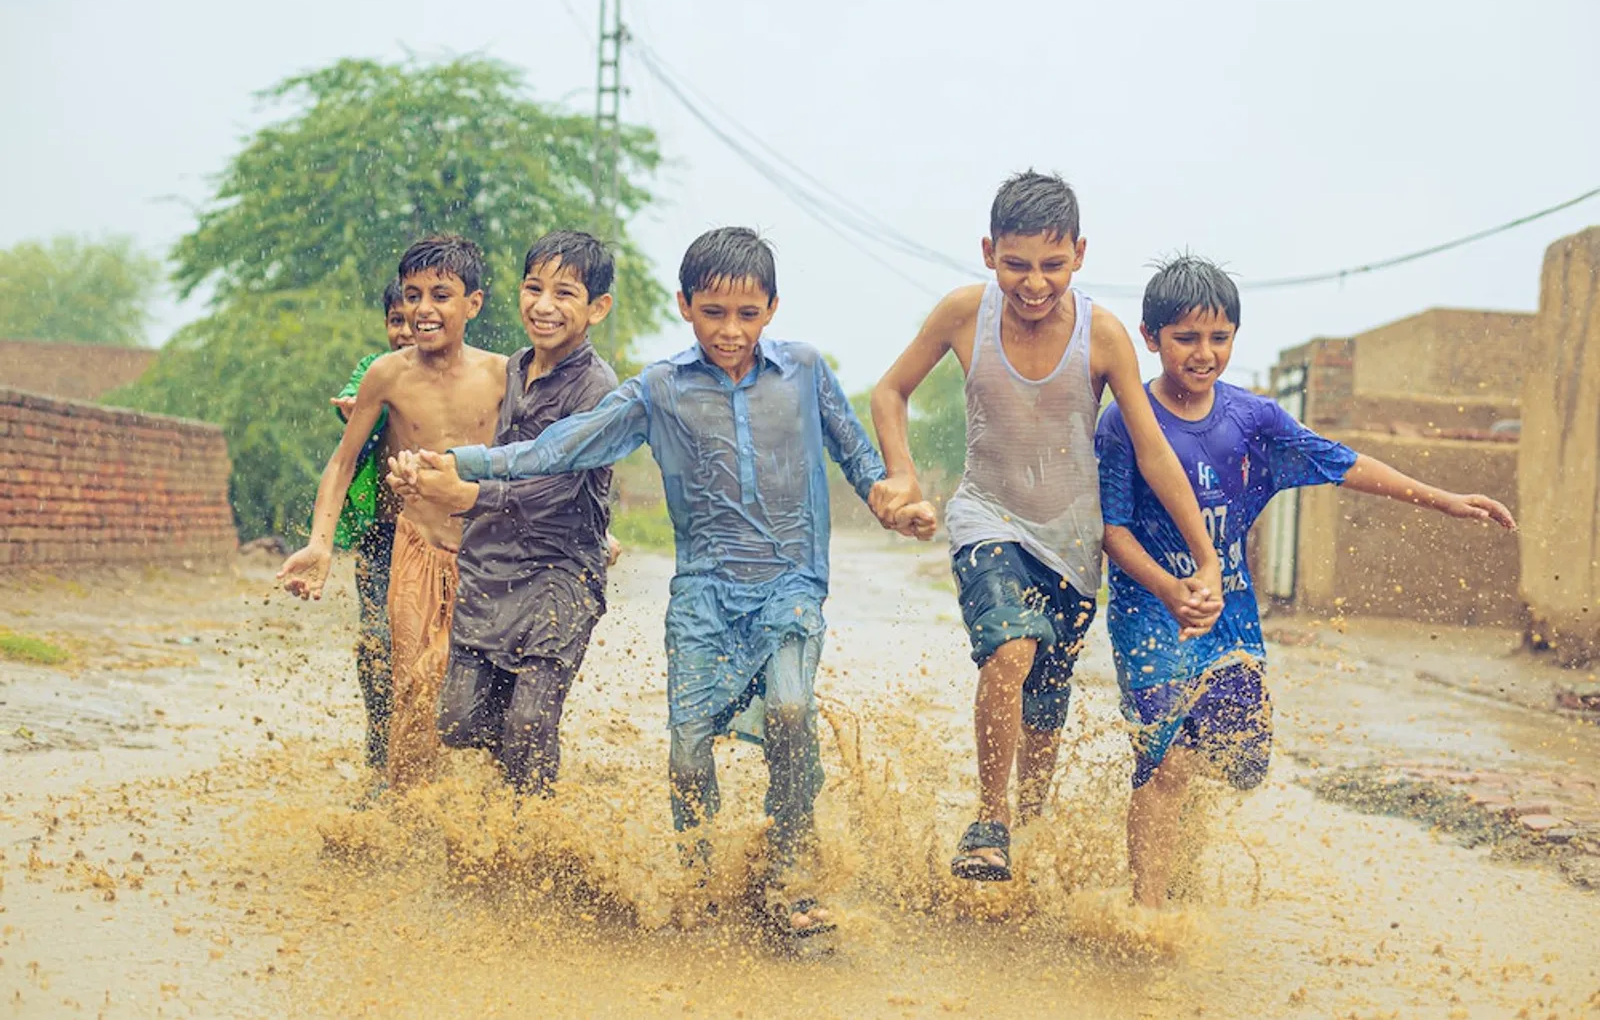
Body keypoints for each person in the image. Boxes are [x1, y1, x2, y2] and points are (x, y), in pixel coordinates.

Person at [393, 226, 935, 936]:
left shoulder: (803, 370)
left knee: (793, 711)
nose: (730, 330)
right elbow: (564, 446)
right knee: (686, 749)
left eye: (747, 313)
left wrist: (891, 498)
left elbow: (858, 456)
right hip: (703, 590)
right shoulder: (660, 388)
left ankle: (795, 872)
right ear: (685, 305)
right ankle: (702, 873)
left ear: (772, 308)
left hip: (790, 585)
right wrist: (466, 462)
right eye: (714, 312)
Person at [1095, 254, 1518, 907]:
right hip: (1150, 610)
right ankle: (1147, 910)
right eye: (1185, 337)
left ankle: (1174, 835)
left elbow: (1343, 463)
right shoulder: (1124, 421)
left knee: (1238, 760)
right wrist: (1167, 587)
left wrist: (1445, 498)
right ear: (1150, 338)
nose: (1204, 353)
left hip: (1231, 608)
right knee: (1167, 760)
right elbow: (1111, 528)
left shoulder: (1252, 419)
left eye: (1219, 337)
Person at [870, 171, 1223, 883]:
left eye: (1052, 266)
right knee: (1011, 648)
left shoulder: (1105, 335)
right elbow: (890, 390)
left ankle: (1022, 836)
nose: (1034, 284)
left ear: (1080, 255)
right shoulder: (964, 314)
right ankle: (988, 814)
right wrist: (901, 472)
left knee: (1044, 706)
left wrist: (1204, 555)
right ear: (988, 252)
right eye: (1016, 265)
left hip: (1071, 538)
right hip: (986, 516)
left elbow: (1153, 450)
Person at [390, 230, 619, 797]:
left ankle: (536, 844)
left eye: (564, 294)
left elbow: (559, 489)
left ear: (597, 308)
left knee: (529, 722)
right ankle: (509, 802)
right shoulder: (510, 370)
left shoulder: (598, 390)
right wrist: (421, 471)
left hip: (561, 573)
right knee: (458, 722)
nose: (544, 306)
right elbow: (465, 435)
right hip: (490, 570)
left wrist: (465, 498)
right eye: (533, 288)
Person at [278, 234, 508, 791]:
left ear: (472, 304)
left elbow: (545, 461)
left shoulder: (503, 374)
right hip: (414, 549)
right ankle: (403, 811)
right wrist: (321, 543)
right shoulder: (387, 374)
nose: (423, 310)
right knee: (414, 682)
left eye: (440, 295)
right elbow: (341, 463)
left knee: (487, 690)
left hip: (489, 555)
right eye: (412, 296)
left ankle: (487, 811)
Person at [329, 277, 412, 776]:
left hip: (445, 541)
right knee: (377, 643)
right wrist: (352, 409)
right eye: (395, 320)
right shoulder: (375, 371)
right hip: (381, 535)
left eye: (414, 319)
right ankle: (380, 754)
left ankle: (423, 757)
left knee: (432, 651)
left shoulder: (467, 375)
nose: (405, 331)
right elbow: (353, 399)